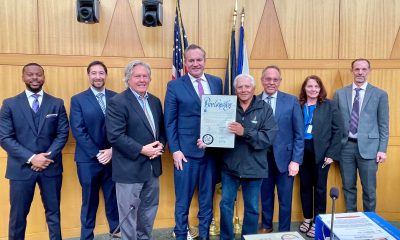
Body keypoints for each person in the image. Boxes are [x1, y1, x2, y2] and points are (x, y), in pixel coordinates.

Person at [0, 63, 69, 240]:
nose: (34, 78)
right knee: (18, 217)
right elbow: (5, 138)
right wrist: (32, 158)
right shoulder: (9, 104)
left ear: (43, 77)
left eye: (38, 74)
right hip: (20, 169)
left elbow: (62, 134)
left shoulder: (57, 103)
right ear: (23, 77)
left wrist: (45, 158)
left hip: (51, 167)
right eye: (30, 75)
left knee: (54, 215)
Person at [164, 44, 223, 240]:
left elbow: (220, 115)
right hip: (185, 155)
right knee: (183, 203)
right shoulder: (174, 85)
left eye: (199, 60)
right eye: (191, 60)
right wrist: (175, 150)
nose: (195, 64)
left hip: (210, 154)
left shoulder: (217, 82)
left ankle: (204, 236)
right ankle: (181, 235)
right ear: (186, 63)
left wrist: (216, 139)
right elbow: (170, 121)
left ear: (205, 61)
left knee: (207, 202)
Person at [105, 60, 166, 240]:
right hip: (129, 170)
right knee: (128, 215)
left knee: (148, 211)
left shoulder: (155, 101)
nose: (142, 80)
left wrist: (161, 145)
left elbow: (160, 131)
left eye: (145, 76)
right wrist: (142, 150)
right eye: (137, 76)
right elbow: (115, 136)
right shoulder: (118, 102)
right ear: (128, 79)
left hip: (152, 167)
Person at [213, 74, 278, 240]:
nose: (243, 90)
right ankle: (226, 237)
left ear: (254, 89)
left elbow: (268, 138)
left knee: (252, 208)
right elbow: (215, 130)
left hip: (255, 167)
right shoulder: (226, 106)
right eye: (240, 87)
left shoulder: (264, 108)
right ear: (235, 90)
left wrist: (244, 132)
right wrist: (208, 139)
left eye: (247, 87)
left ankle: (248, 238)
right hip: (230, 167)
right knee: (226, 205)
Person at [70, 61, 119, 240]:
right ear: (88, 75)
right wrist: (98, 154)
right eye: (94, 73)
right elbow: (78, 130)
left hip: (114, 158)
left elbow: (124, 128)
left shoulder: (117, 97)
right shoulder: (78, 99)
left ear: (106, 75)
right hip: (88, 160)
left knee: (113, 199)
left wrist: (112, 151)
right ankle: (86, 236)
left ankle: (116, 233)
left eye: (101, 73)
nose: (98, 76)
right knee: (89, 201)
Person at [334, 58, 389, 212]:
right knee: (348, 187)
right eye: (357, 69)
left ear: (369, 71)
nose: (360, 72)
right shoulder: (340, 94)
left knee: (369, 190)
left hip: (370, 149)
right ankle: (351, 221)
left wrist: (382, 149)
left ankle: (370, 222)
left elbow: (384, 124)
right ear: (352, 71)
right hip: (346, 148)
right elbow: (336, 124)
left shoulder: (380, 94)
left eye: (364, 69)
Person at [258, 65, 304, 233]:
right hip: (261, 158)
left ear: (280, 81)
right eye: (268, 79)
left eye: (275, 79)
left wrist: (296, 161)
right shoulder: (255, 100)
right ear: (262, 80)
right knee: (265, 196)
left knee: (285, 199)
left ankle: (284, 230)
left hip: (286, 159)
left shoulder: (291, 101)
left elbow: (299, 134)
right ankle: (267, 226)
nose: (271, 82)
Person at [297, 75, 343, 238]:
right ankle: (307, 218)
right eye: (309, 86)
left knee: (320, 187)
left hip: (322, 153)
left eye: (316, 87)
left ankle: (318, 221)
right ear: (304, 88)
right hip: (301, 151)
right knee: (304, 187)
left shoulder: (329, 105)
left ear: (320, 88)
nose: (313, 89)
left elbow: (339, 131)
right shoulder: (299, 104)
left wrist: (331, 154)